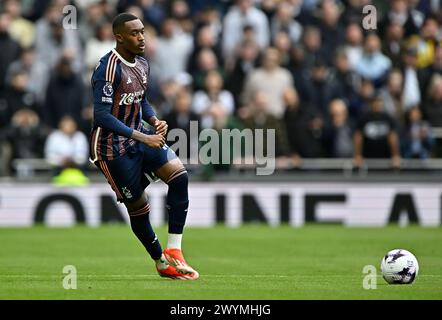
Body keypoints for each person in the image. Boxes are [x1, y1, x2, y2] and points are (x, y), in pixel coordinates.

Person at [89, 13, 198, 280]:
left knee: (179, 176)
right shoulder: (107, 68)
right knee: (139, 206)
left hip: (138, 137)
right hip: (111, 149)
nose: (141, 37)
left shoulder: (142, 63)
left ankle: (174, 250)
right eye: (134, 33)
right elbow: (102, 115)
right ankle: (161, 262)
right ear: (119, 37)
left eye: (142, 31)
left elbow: (141, 99)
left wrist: (153, 120)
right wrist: (143, 136)